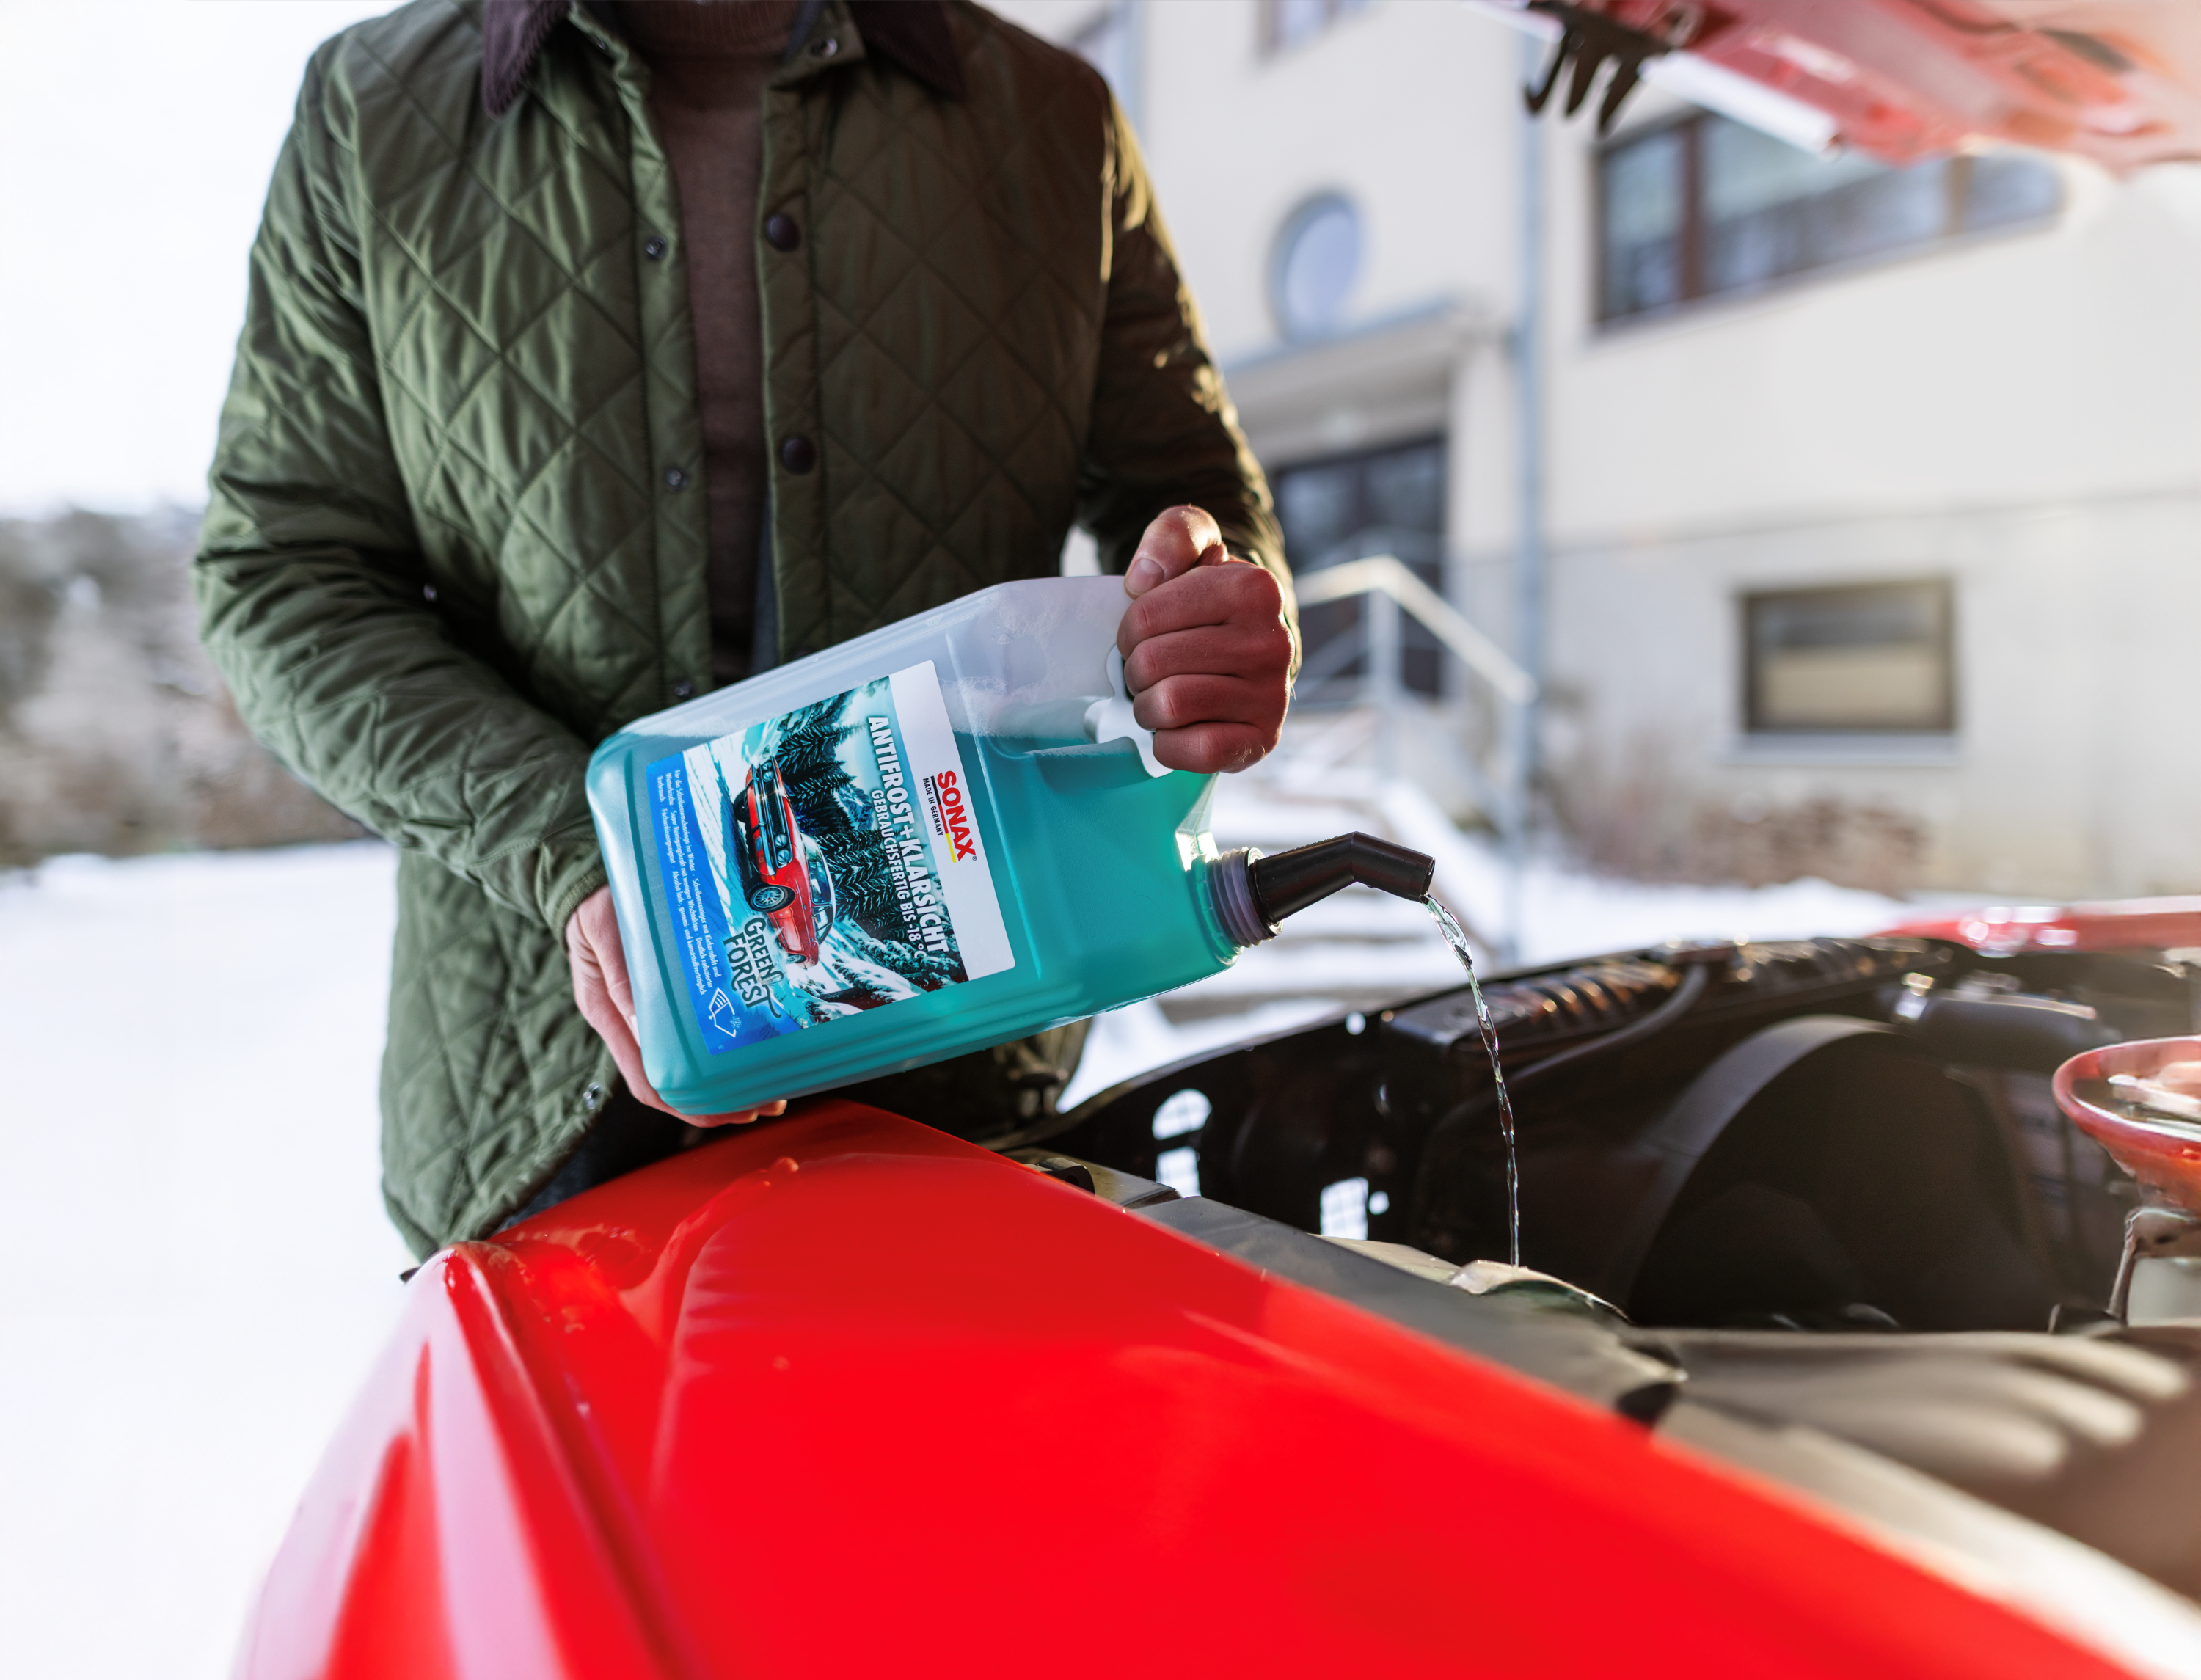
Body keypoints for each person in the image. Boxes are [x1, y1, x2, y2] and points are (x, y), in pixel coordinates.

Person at [196, 0, 1294, 1257]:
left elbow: (1203, 501)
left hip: (963, 1077)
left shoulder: (1054, 117)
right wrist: (584, 848)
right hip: (542, 1108)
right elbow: (278, 579)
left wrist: (1223, 623)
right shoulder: (370, 109)